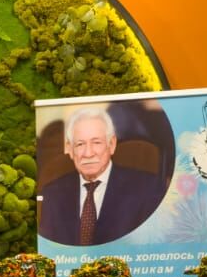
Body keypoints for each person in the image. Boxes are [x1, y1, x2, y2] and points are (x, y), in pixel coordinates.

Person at [37, 106, 162, 247]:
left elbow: (154, 247)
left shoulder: (147, 189)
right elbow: (48, 248)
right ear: (70, 149)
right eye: (80, 144)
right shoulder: (53, 194)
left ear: (111, 144)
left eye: (96, 142)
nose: (88, 153)